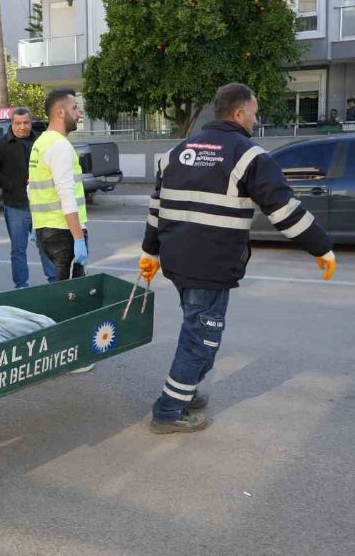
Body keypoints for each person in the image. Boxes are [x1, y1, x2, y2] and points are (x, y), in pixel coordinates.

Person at [139, 83, 337, 435]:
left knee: (196, 330)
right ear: (239, 112)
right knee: (201, 338)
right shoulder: (248, 155)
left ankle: (183, 391)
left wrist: (150, 250)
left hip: (178, 262)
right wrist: (320, 245)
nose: (256, 118)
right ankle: (168, 411)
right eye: (254, 112)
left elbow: (157, 206)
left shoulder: (176, 152)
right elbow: (282, 208)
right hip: (210, 265)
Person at [0, 107, 57, 288]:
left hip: (41, 205)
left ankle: (54, 281)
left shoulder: (40, 141)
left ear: (30, 122)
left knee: (46, 246)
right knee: (18, 250)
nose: (22, 127)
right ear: (12, 123)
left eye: (26, 123)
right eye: (18, 123)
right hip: (15, 206)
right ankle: (21, 286)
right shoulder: (0, 145)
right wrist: (10, 185)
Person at [28, 88, 87, 281]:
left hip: (45, 232)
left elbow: (31, 188)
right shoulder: (60, 146)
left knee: (59, 293)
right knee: (69, 297)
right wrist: (78, 238)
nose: (79, 113)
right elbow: (66, 195)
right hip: (64, 234)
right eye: (75, 108)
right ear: (60, 112)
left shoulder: (40, 143)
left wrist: (36, 225)